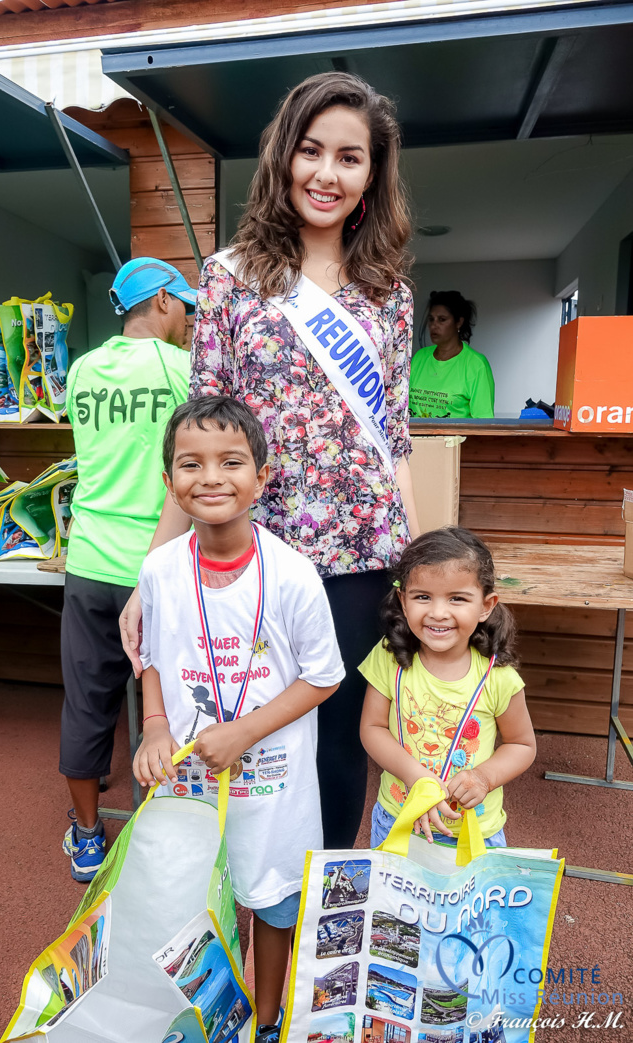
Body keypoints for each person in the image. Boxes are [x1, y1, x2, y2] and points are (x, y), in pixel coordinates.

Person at [121, 71, 420, 850]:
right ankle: (249, 896)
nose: (326, 173)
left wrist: (414, 565)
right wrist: (151, 575)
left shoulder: (388, 293)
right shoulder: (229, 278)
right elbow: (199, 436)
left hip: (360, 555)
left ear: (371, 175)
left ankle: (322, 901)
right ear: (283, 156)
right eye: (311, 150)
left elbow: (394, 441)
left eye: (349, 158)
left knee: (340, 740)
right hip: (255, 552)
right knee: (241, 727)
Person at [133, 396, 344, 1042]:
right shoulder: (159, 569)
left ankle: (268, 1018)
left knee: (273, 902)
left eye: (231, 461)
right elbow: (151, 656)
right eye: (190, 463)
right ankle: (210, 1014)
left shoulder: (293, 575)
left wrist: (244, 731)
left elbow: (324, 676)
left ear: (262, 476)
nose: (211, 477)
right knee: (192, 896)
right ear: (168, 480)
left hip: (274, 786)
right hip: (189, 781)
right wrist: (155, 724)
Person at [60, 257, 196, 882]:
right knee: (170, 703)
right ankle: (162, 835)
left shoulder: (82, 370)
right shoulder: (181, 368)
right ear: (162, 300)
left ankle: (88, 836)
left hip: (88, 558)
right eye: (184, 305)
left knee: (87, 700)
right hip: (157, 563)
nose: (188, 319)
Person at [359, 526, 535, 848]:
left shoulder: (499, 677)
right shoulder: (388, 657)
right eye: (422, 597)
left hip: (474, 833)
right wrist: (415, 776)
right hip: (397, 822)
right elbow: (372, 728)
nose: (438, 613)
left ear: (486, 605)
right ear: (403, 600)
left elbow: (521, 745)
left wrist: (483, 778)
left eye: (457, 599)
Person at [410, 290, 495, 418]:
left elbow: (483, 422)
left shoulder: (476, 365)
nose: (434, 325)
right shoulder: (419, 357)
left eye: (442, 320)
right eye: (431, 319)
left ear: (459, 322)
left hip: (457, 433)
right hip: (414, 432)